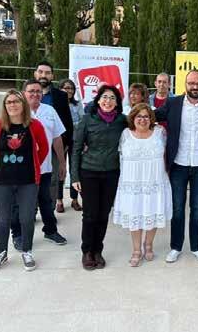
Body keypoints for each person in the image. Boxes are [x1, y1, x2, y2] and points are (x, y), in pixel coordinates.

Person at [154, 69, 198, 263]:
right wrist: (128, 114)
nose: (195, 87)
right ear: (185, 85)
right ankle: (176, 247)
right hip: (178, 165)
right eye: (191, 83)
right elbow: (152, 115)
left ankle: (196, 247)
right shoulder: (173, 103)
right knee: (177, 209)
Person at [0, 90, 49, 272]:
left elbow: (44, 148)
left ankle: (27, 251)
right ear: (5, 106)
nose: (12, 105)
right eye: (9, 102)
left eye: (16, 101)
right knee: (3, 219)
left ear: (23, 104)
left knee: (27, 218)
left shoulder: (34, 126)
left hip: (28, 181)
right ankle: (1, 253)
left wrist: (32, 165)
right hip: (2, 181)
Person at [71, 84, 127, 270]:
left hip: (111, 173)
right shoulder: (87, 119)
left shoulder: (122, 121)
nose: (108, 101)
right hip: (89, 172)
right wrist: (74, 176)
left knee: (103, 214)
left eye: (112, 98)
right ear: (98, 100)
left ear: (117, 103)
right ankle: (87, 251)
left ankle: (98, 251)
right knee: (90, 214)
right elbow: (76, 149)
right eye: (105, 97)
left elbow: (140, 125)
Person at [10, 80, 68, 249]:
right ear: (23, 93)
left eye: (38, 91)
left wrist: (62, 163)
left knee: (46, 201)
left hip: (45, 167)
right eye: (31, 91)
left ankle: (50, 231)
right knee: (19, 204)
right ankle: (18, 235)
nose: (35, 94)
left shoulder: (49, 111)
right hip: (21, 169)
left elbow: (57, 138)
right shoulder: (17, 112)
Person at [113, 103, 173, 266]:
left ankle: (148, 244)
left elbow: (167, 155)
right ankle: (136, 250)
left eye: (146, 116)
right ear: (133, 118)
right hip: (132, 183)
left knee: (152, 213)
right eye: (139, 116)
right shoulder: (125, 134)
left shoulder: (160, 132)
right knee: (135, 214)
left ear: (151, 118)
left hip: (154, 182)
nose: (143, 119)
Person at [34, 61, 74, 205]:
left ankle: (49, 211)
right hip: (30, 147)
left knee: (52, 179)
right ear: (35, 74)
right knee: (31, 179)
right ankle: (31, 210)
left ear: (52, 76)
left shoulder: (61, 96)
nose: (43, 75)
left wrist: (66, 143)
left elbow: (67, 122)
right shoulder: (25, 94)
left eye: (47, 73)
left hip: (54, 146)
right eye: (40, 72)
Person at [56, 78, 84, 212]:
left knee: (75, 170)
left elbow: (83, 122)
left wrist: (71, 126)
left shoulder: (77, 105)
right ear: (60, 89)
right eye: (66, 88)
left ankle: (74, 199)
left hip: (75, 141)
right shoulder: (56, 104)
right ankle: (59, 200)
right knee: (60, 170)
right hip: (60, 141)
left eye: (71, 88)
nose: (69, 91)